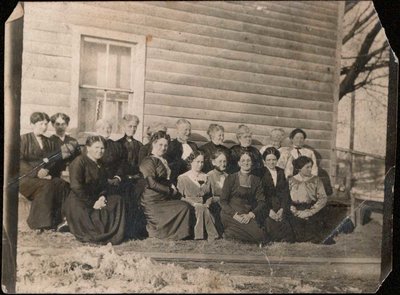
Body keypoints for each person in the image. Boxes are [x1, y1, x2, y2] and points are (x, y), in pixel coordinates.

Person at [63, 135, 126, 245]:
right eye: (96, 147)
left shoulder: (101, 164)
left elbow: (103, 185)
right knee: (92, 232)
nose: (100, 151)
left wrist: (102, 196)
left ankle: (112, 232)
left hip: (96, 198)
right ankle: (70, 224)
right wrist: (93, 203)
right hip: (79, 200)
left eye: (102, 148)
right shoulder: (79, 162)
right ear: (88, 148)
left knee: (117, 199)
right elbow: (76, 187)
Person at [19, 112, 70, 231]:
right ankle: (39, 223)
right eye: (40, 124)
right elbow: (19, 161)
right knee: (47, 186)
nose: (44, 127)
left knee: (63, 185)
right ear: (31, 124)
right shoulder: (22, 139)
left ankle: (64, 220)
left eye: (46, 124)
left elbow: (55, 160)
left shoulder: (50, 142)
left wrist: (47, 171)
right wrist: (37, 173)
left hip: (45, 176)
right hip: (26, 179)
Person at [139, 131, 194, 240]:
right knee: (183, 207)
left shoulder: (164, 160)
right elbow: (152, 184)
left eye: (166, 145)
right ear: (153, 144)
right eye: (160, 144)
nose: (163, 148)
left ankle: (178, 235)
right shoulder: (148, 161)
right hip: (152, 201)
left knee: (184, 206)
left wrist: (176, 193)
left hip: (164, 198)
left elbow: (167, 180)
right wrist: (170, 191)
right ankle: (160, 233)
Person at [220, 152, 267, 244]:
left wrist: (251, 214)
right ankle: (231, 233)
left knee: (261, 236)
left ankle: (231, 234)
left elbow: (261, 201)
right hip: (230, 213)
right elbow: (223, 201)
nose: (246, 163)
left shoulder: (256, 180)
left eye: (248, 160)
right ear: (239, 163)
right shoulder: (231, 178)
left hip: (246, 214)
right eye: (243, 160)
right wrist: (234, 214)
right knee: (257, 236)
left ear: (252, 163)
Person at [177, 151, 220, 240]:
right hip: (189, 205)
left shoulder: (207, 177)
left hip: (205, 205)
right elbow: (180, 197)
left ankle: (202, 235)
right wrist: (194, 204)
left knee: (203, 208)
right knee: (200, 208)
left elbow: (210, 195)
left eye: (202, 162)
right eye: (197, 162)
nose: (200, 165)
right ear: (191, 162)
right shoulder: (183, 178)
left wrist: (208, 203)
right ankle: (208, 235)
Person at [117, 114, 147, 239]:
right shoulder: (117, 144)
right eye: (130, 126)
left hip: (136, 178)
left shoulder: (139, 145)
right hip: (122, 178)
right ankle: (124, 230)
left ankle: (136, 231)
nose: (133, 129)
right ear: (123, 127)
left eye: (135, 127)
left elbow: (142, 164)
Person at [289, 156, 328, 244]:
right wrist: (295, 211)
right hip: (295, 209)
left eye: (311, 167)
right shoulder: (290, 180)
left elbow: (323, 198)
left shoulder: (316, 180)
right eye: (307, 167)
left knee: (314, 231)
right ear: (299, 168)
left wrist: (309, 212)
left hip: (311, 208)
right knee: (294, 231)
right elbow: (285, 198)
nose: (310, 169)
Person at [261, 147, 294, 243]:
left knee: (285, 224)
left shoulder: (280, 171)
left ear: (277, 160)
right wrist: (269, 211)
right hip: (265, 205)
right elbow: (260, 194)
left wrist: (282, 209)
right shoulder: (260, 172)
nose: (271, 162)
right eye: (269, 160)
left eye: (274, 159)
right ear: (264, 161)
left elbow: (285, 192)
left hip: (279, 205)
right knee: (268, 223)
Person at [92, 119, 127, 193]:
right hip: (97, 182)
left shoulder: (117, 145)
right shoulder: (91, 145)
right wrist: (104, 180)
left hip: (115, 182)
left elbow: (122, 163)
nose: (106, 130)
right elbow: (90, 165)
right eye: (103, 128)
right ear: (97, 130)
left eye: (108, 128)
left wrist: (117, 177)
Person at [165, 119, 198, 184]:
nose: (188, 133)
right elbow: (169, 166)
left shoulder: (193, 145)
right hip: (178, 180)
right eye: (185, 130)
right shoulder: (171, 146)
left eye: (189, 130)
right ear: (177, 131)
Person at [49, 113, 81, 178]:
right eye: (57, 124)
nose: (60, 127)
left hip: (72, 173)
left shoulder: (73, 141)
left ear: (67, 125)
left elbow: (79, 158)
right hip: (55, 174)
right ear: (53, 125)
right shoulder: (49, 141)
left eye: (63, 124)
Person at [206, 150, 229, 236]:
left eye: (224, 161)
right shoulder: (209, 176)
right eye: (220, 161)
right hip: (215, 203)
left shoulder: (228, 176)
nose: (223, 164)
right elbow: (209, 195)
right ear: (213, 162)